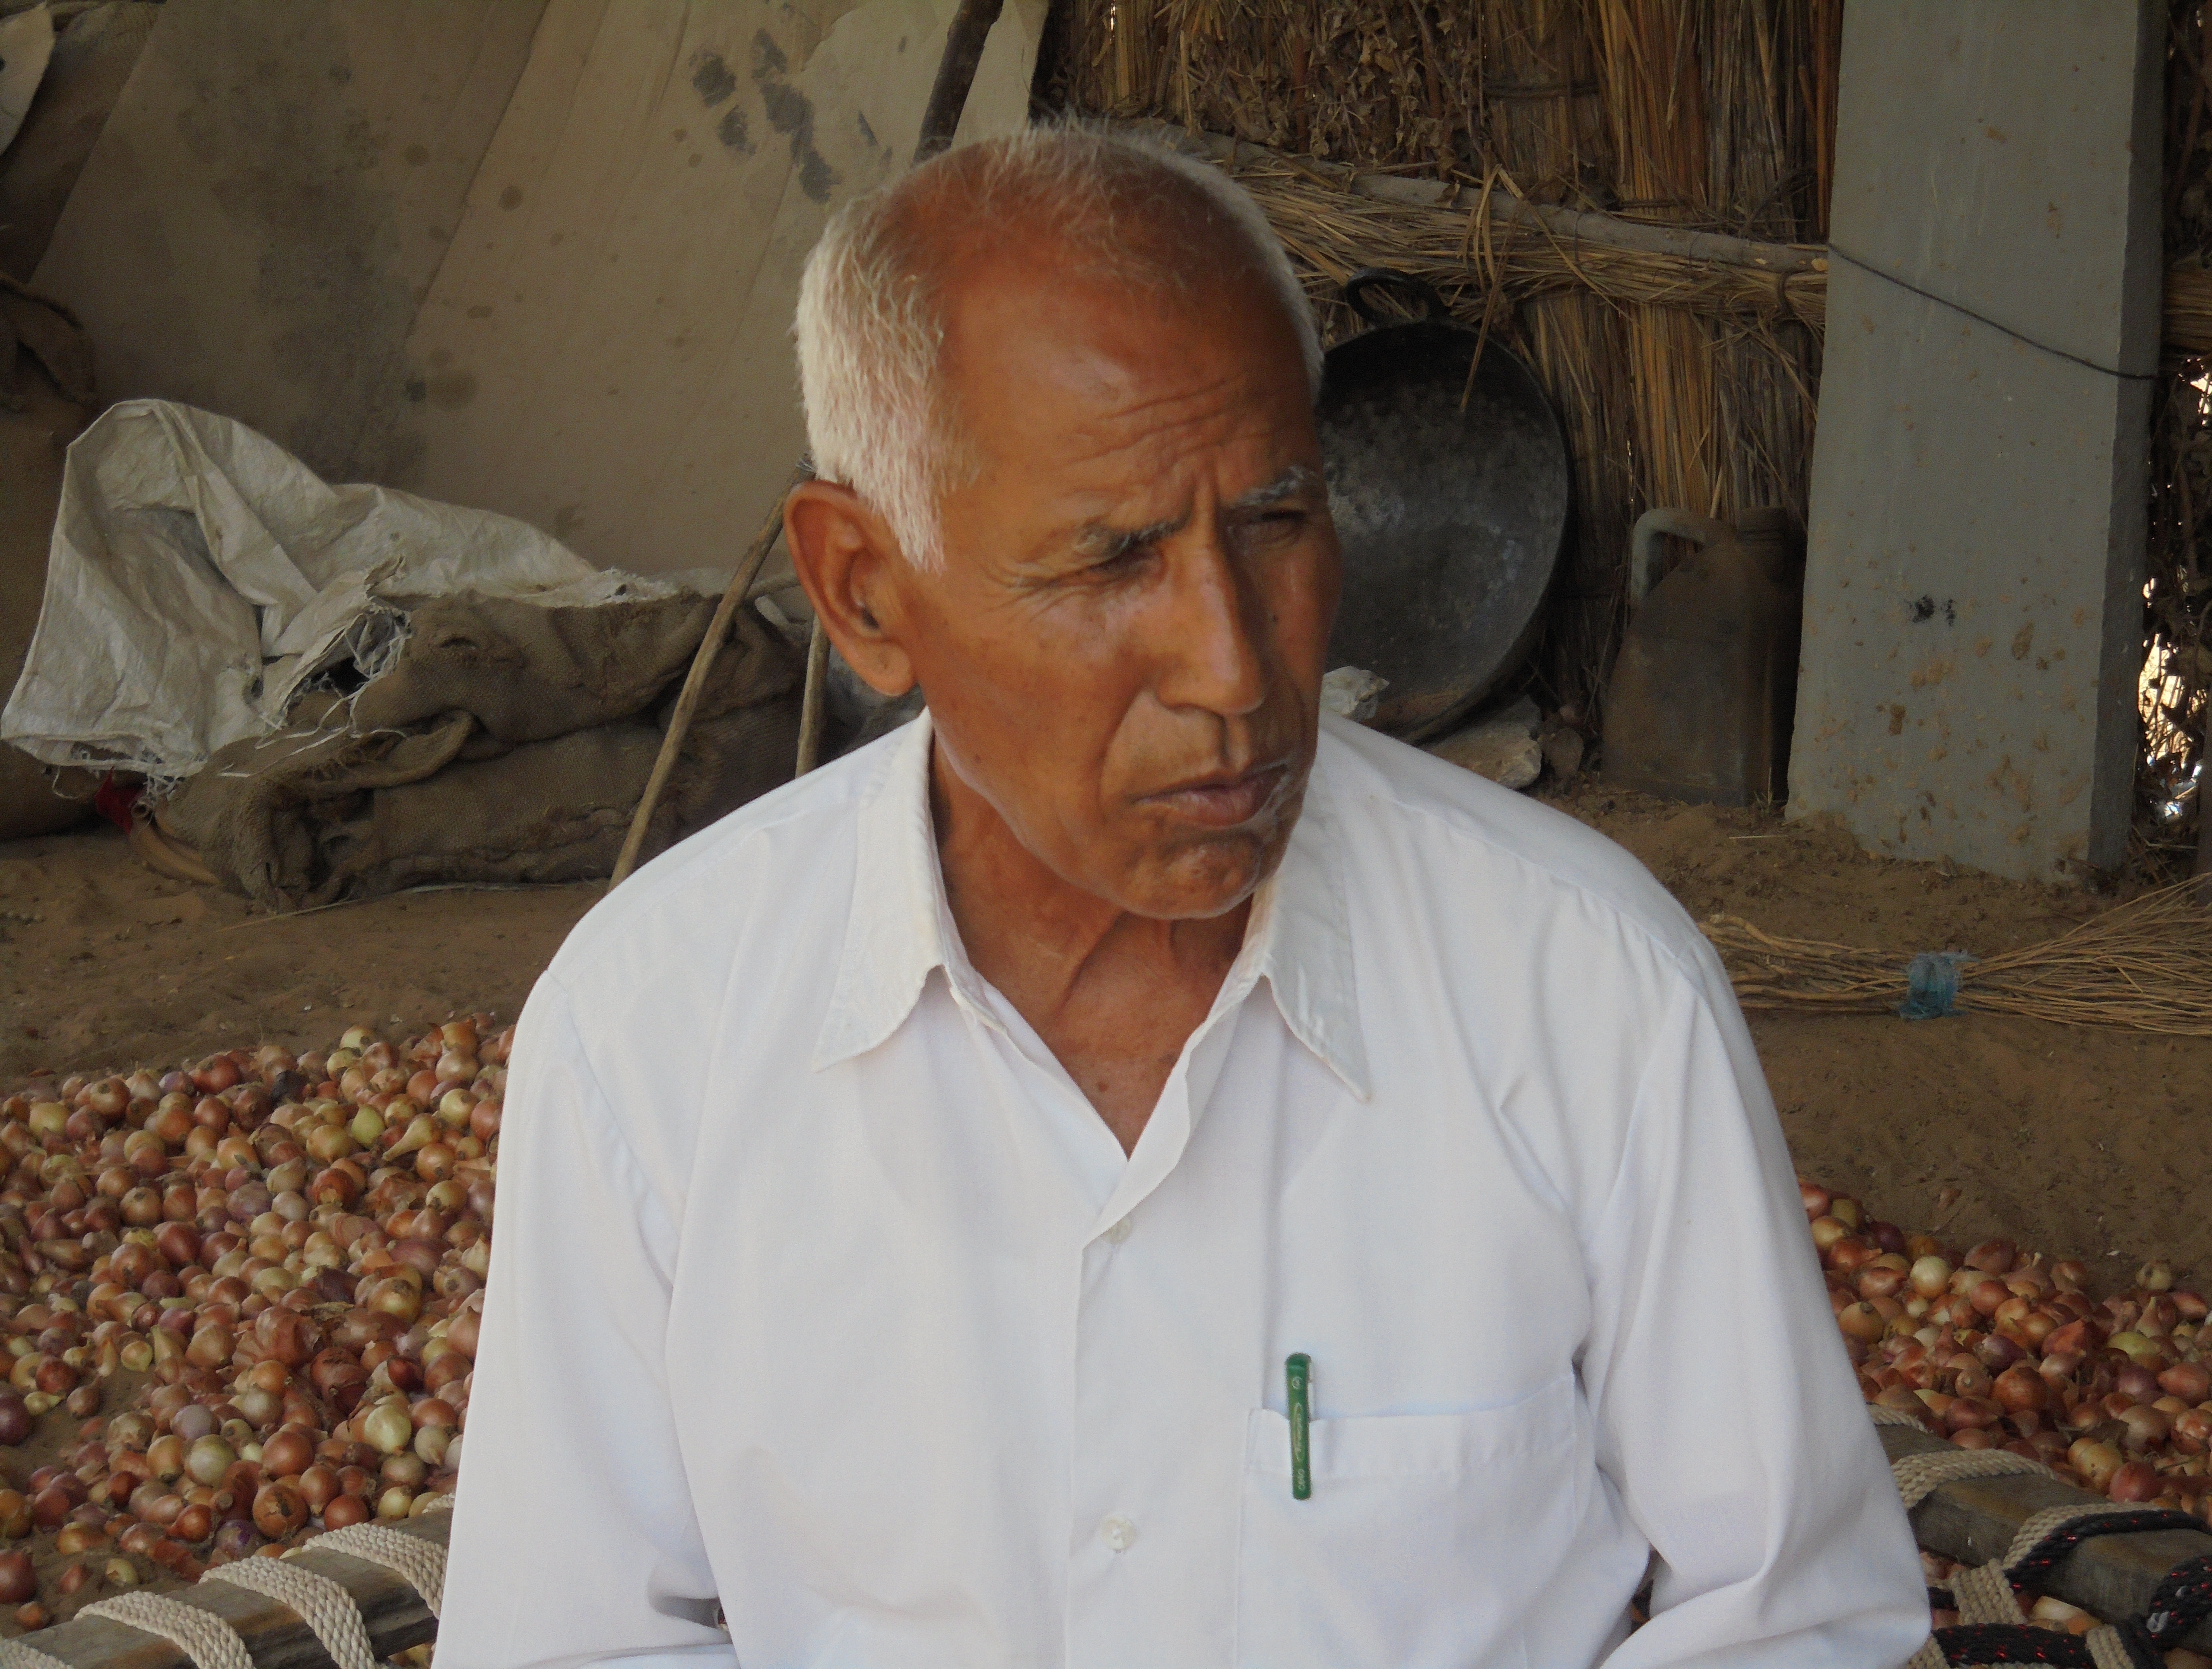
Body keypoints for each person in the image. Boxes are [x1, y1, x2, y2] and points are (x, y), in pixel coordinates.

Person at [437, 127, 1928, 1669]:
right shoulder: (650, 1041)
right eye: (1113, 557)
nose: (1235, 667)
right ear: (865, 593)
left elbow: (1797, 1617)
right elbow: (576, 1640)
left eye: (1276, 521)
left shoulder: (1591, 990)